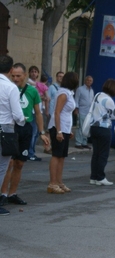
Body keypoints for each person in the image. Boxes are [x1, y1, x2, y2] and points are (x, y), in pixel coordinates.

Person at [1, 63, 49, 205]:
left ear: (25, 76)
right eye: (13, 75)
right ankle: (3, 193)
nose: (15, 78)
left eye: (18, 76)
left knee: (19, 163)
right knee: (8, 162)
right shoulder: (7, 88)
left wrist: (42, 132)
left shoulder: (32, 91)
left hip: (26, 128)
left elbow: (38, 113)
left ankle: (12, 193)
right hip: (10, 127)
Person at [0, 55, 26, 215]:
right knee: (2, 167)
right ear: (10, 70)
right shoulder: (11, 88)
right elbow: (18, 114)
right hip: (5, 129)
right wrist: (23, 121)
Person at [47, 72, 78, 194]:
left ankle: (59, 182)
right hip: (58, 127)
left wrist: (68, 130)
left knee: (62, 156)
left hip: (65, 127)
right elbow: (57, 112)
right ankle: (52, 183)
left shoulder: (68, 93)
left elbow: (66, 114)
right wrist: (59, 131)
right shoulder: (63, 94)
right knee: (56, 155)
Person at [89, 79, 115, 186]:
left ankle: (93, 176)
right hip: (104, 128)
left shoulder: (98, 95)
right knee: (103, 154)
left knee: (96, 153)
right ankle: (100, 177)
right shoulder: (109, 100)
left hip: (94, 126)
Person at [27, 65, 47, 161]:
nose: (34, 73)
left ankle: (31, 152)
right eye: (32, 71)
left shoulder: (39, 85)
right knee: (33, 132)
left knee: (36, 133)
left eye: (35, 71)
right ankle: (29, 153)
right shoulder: (28, 84)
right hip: (32, 111)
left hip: (38, 110)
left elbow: (44, 97)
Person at [74, 75, 94, 149]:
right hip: (81, 111)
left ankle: (84, 142)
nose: (89, 82)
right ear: (85, 81)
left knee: (87, 128)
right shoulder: (80, 89)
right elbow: (76, 99)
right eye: (87, 80)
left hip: (89, 112)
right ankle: (78, 143)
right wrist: (76, 109)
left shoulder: (91, 90)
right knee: (80, 127)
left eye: (90, 81)